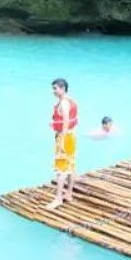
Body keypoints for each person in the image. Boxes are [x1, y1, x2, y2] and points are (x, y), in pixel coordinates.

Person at [46, 78, 78, 210]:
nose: (53, 91)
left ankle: (58, 198)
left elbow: (65, 122)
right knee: (70, 165)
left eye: (55, 88)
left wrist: (61, 141)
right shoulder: (71, 100)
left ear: (62, 88)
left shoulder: (64, 103)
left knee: (61, 169)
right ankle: (68, 194)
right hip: (71, 136)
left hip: (64, 137)